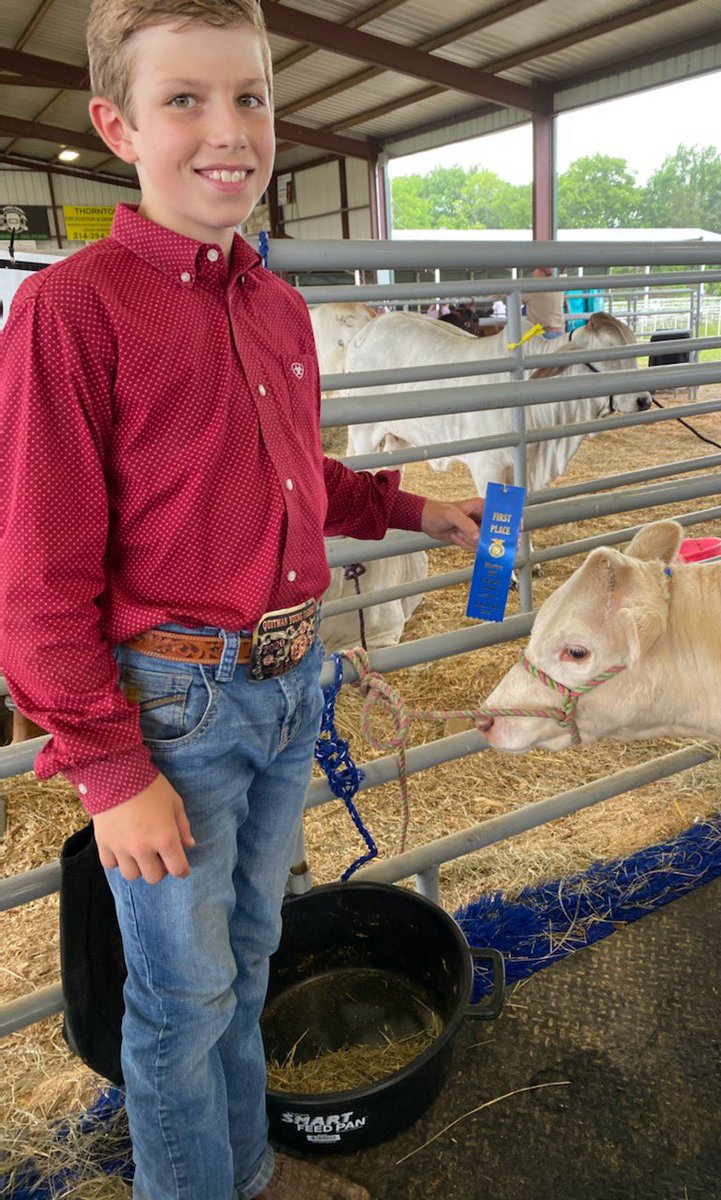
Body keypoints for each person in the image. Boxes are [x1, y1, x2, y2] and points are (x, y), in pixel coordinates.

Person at [0, 4, 483, 1200]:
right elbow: (36, 578)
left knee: (253, 956)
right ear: (116, 125)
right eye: (186, 100)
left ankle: (248, 1176)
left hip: (285, 682)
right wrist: (111, 769)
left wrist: (417, 513)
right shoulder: (72, 311)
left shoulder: (271, 305)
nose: (230, 131)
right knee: (178, 999)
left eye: (252, 97)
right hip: (173, 707)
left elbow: (290, 477)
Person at [520, 266, 567, 337]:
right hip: (560, 331)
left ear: (540, 272)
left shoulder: (534, 288)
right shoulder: (557, 286)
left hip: (542, 334)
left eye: (534, 271)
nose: (533, 274)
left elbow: (514, 295)